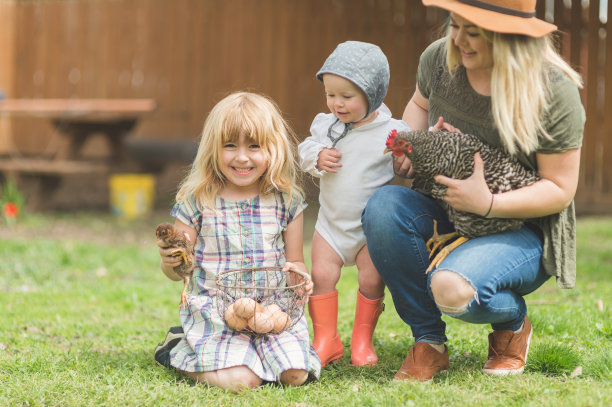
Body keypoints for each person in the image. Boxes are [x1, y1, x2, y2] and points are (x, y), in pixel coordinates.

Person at [362, 0, 585, 381]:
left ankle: (512, 322)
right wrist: (413, 146)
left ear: (511, 38)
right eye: (455, 25)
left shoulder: (551, 91)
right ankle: (428, 342)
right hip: (447, 208)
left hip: (521, 228)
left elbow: (560, 188)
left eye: (474, 32)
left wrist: (489, 203)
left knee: (451, 289)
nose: (459, 40)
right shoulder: (439, 59)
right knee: (383, 208)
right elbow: (419, 103)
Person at [154, 92, 321, 392]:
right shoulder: (198, 202)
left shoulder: (287, 202)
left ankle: (253, 355)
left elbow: (294, 261)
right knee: (244, 381)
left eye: (254, 146)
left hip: (271, 312)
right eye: (230, 145)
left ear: (274, 149)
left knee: (296, 375)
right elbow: (179, 270)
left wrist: (300, 277)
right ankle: (178, 350)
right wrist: (172, 263)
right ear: (213, 149)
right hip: (216, 313)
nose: (242, 157)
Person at [298, 41, 410, 367]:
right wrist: (316, 156)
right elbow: (303, 149)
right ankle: (326, 339)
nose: (337, 104)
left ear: (373, 94)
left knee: (372, 279)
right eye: (331, 95)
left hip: (367, 230)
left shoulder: (391, 131)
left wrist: (414, 152)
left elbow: (415, 151)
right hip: (330, 226)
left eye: (347, 96)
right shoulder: (326, 126)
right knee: (321, 275)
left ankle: (362, 341)